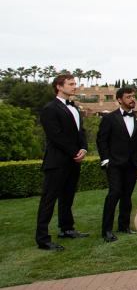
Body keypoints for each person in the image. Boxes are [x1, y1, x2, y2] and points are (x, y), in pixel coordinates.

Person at [35, 73, 90, 251]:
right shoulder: (50, 109)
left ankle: (66, 229)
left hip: (73, 161)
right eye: (71, 84)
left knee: (67, 197)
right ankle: (42, 238)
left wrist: (84, 148)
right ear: (59, 86)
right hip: (57, 162)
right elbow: (55, 135)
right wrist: (74, 151)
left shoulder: (75, 108)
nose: (75, 86)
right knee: (48, 200)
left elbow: (80, 132)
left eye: (75, 83)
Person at [96, 87, 137, 242]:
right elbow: (102, 140)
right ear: (119, 99)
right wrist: (105, 159)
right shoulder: (109, 118)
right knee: (114, 194)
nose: (132, 99)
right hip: (115, 164)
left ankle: (124, 226)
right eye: (128, 97)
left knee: (127, 195)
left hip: (132, 164)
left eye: (133, 96)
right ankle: (107, 230)